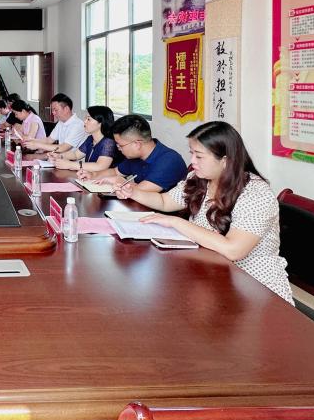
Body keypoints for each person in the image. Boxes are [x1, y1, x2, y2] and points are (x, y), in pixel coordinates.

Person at [115, 121, 293, 304]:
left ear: (225, 160)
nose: (192, 161)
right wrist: (133, 192)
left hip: (254, 288)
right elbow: (164, 201)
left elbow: (234, 250)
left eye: (199, 156)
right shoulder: (200, 179)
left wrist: (177, 222)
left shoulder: (255, 194)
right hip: (210, 275)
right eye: (192, 153)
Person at [86, 114, 188, 193]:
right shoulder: (136, 156)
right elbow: (115, 172)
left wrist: (120, 181)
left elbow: (141, 191)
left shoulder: (169, 161)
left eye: (120, 145)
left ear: (137, 144)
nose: (118, 149)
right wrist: (92, 175)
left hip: (161, 212)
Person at [48, 105, 123, 173]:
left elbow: (100, 166)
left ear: (100, 123)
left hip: (106, 181)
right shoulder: (90, 138)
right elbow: (76, 155)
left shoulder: (108, 142)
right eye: (85, 118)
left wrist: (71, 165)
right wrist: (60, 156)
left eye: (89, 119)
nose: (85, 121)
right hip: (90, 178)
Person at [21, 93, 88, 153]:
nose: (53, 113)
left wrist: (37, 145)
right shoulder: (61, 122)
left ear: (66, 109)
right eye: (52, 110)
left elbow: (63, 147)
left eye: (55, 110)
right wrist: (32, 140)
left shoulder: (78, 125)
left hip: (73, 161)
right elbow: (49, 140)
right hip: (61, 158)